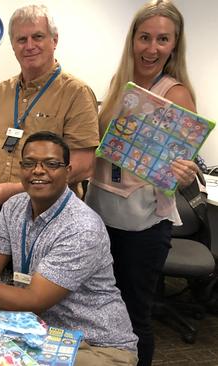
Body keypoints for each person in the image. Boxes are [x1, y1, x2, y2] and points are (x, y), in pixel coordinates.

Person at [0, 131, 139, 365]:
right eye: (29, 163)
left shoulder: (81, 227)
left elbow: (33, 300)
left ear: (68, 171)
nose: (38, 170)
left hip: (94, 345)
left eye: (51, 164)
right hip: (40, 332)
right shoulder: (15, 206)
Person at [84, 1, 200, 364]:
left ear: (174, 45)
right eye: (145, 37)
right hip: (101, 215)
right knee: (100, 310)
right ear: (132, 40)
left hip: (142, 225)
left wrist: (183, 174)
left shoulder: (175, 94)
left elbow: (178, 168)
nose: (152, 48)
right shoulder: (121, 85)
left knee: (134, 317)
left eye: (162, 39)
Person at [0, 4, 99, 252]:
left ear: (54, 40)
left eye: (37, 36)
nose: (29, 46)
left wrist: (18, 190)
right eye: (21, 39)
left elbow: (82, 165)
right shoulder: (0, 92)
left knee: (37, 288)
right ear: (13, 45)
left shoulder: (76, 93)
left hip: (50, 213)